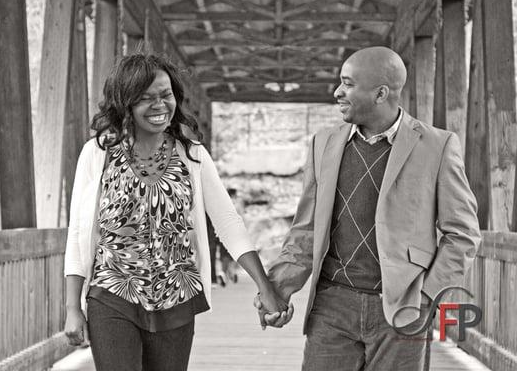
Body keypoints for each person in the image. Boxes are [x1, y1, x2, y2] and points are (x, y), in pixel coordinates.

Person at [255, 46, 482, 371]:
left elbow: (462, 234)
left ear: (380, 93)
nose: (337, 92)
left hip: (402, 309)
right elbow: (305, 231)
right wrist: (277, 289)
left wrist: (427, 297)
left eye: (347, 84)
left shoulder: (438, 146)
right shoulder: (323, 143)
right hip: (331, 306)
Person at [62, 53, 288, 371]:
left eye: (165, 95)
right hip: (111, 293)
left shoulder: (192, 155)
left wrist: (265, 288)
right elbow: (78, 230)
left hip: (176, 297)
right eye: (145, 98)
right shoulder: (98, 153)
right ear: (124, 103)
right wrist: (73, 306)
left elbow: (227, 221)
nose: (159, 106)